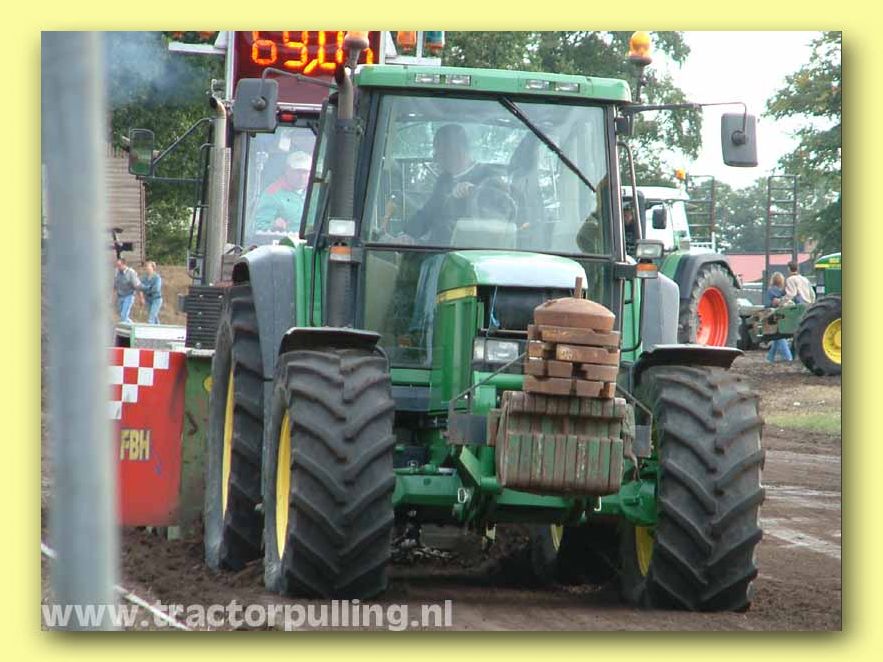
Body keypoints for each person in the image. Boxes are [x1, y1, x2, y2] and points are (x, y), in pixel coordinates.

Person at [407, 124, 497, 245]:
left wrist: (474, 191)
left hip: (471, 249)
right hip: (437, 248)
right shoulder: (444, 180)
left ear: (455, 150)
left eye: (438, 153)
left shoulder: (487, 175)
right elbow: (428, 213)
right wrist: (407, 235)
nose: (435, 159)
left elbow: (503, 208)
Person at [253, 151, 311, 233]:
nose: (302, 177)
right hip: (286, 240)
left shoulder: (317, 191)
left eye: (305, 172)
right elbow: (259, 226)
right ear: (287, 170)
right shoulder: (272, 193)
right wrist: (273, 225)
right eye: (298, 172)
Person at [766, 271, 793, 363]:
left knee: (778, 336)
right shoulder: (777, 291)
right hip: (777, 315)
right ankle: (788, 357)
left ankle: (770, 357)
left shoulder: (770, 290)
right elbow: (776, 302)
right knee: (780, 335)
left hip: (771, 314)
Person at [114, 258, 140, 324]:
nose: (118, 267)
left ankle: (129, 328)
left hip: (129, 295)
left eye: (119, 265)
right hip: (120, 296)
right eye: (117, 265)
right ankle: (133, 326)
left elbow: (137, 285)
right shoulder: (117, 272)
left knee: (123, 316)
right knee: (122, 316)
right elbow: (115, 285)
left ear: (124, 264)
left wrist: (140, 297)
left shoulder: (131, 272)